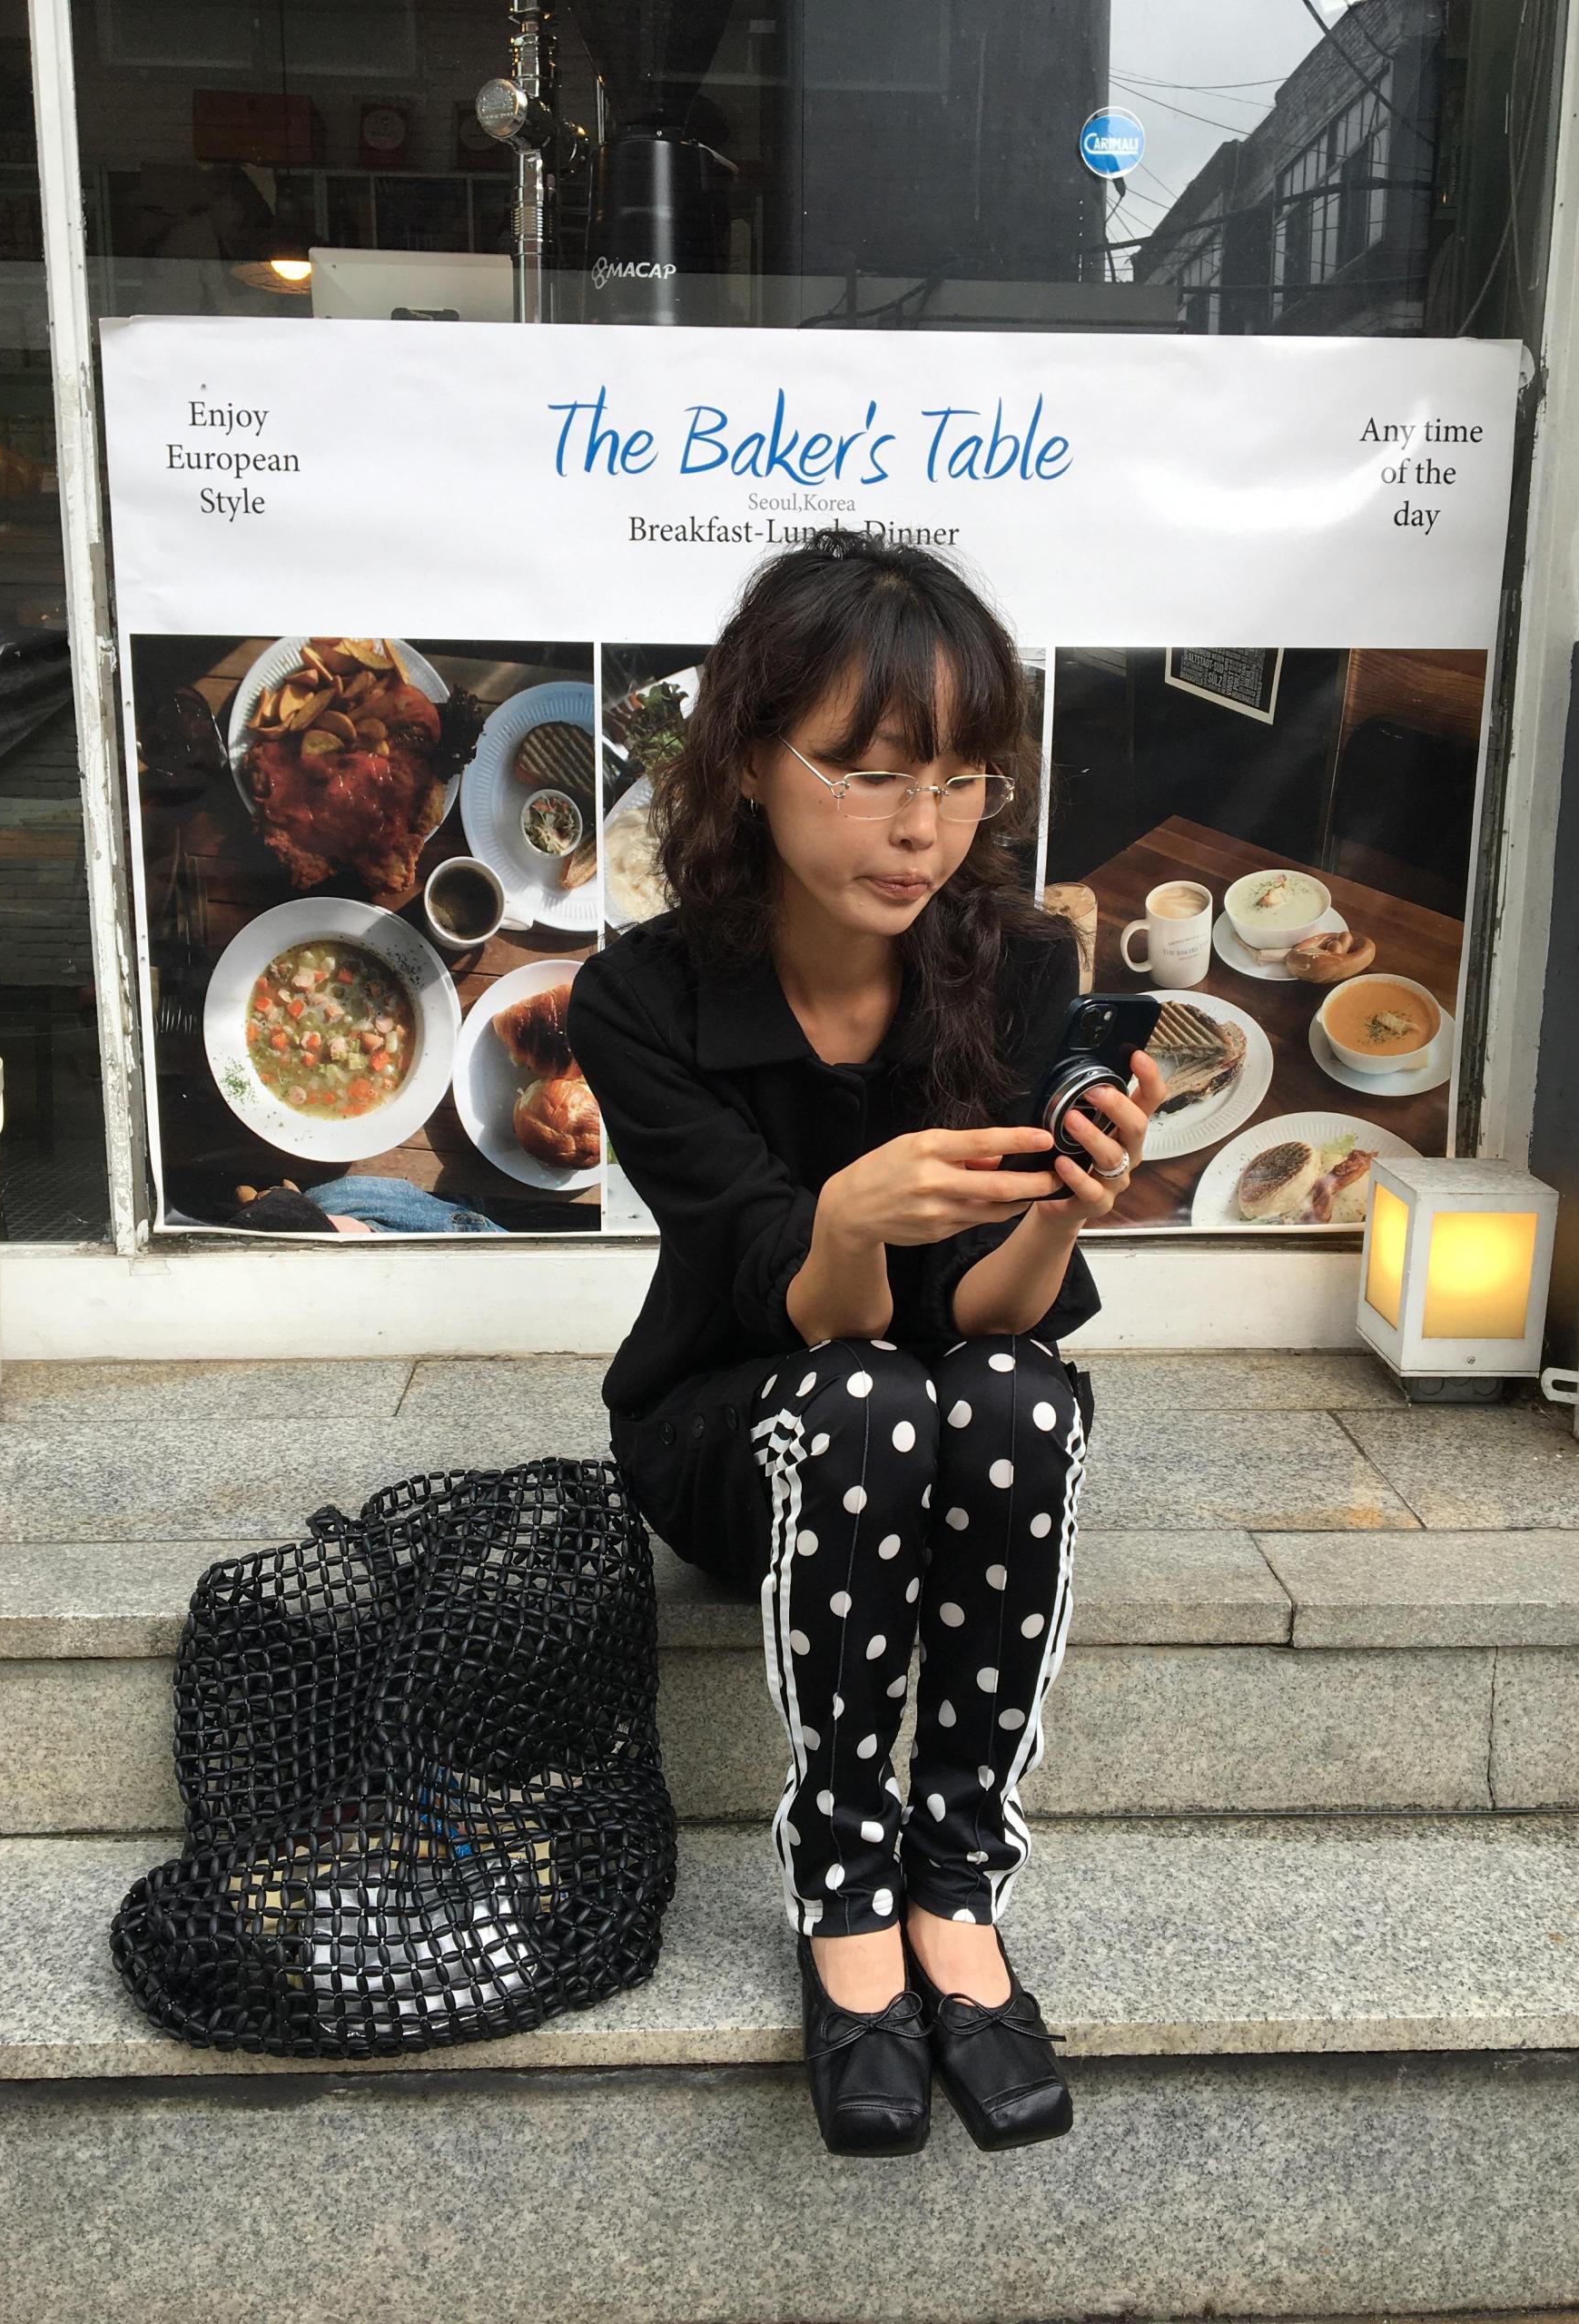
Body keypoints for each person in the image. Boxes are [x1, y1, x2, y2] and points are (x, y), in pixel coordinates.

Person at [567, 528, 1162, 2158]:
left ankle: (955, 1885)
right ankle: (845, 1883)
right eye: (872, 772)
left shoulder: (1017, 965)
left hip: (937, 1411)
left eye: (963, 781)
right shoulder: (638, 1002)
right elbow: (800, 1296)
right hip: (732, 1437)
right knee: (858, 1397)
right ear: (750, 760)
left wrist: (1066, 1208)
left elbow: (988, 1318)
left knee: (1018, 1399)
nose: (923, 830)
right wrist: (846, 1216)